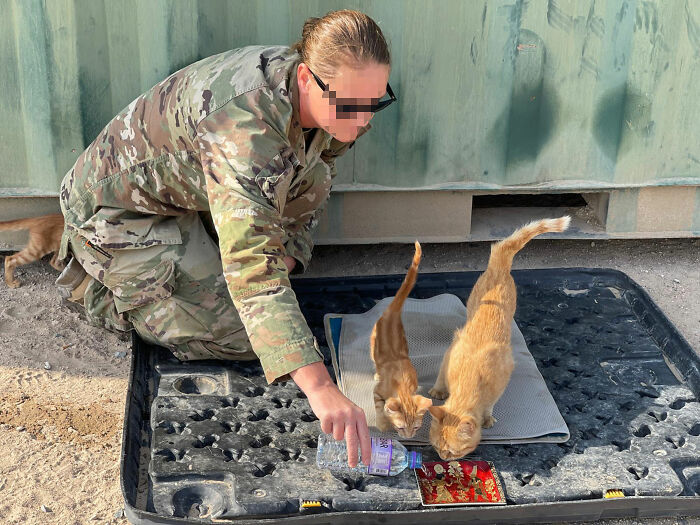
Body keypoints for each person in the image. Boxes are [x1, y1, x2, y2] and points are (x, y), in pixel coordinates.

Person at [55, 9, 396, 468]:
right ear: (306, 78)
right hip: (120, 216)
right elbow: (253, 272)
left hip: (187, 198)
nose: (364, 122)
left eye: (375, 103)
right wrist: (320, 389)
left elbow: (314, 173)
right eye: (353, 106)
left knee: (276, 291)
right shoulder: (247, 131)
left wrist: (286, 260)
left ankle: (202, 257)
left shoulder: (330, 99)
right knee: (244, 338)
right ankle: (102, 285)